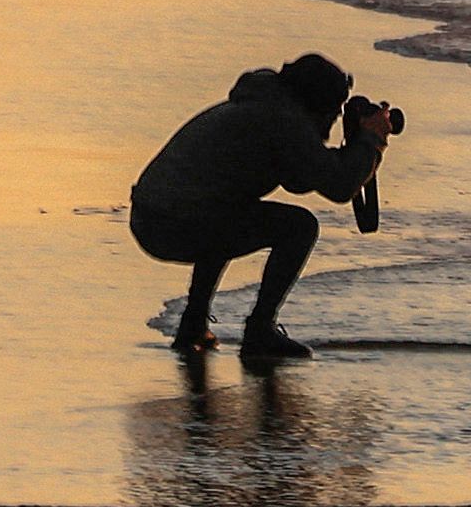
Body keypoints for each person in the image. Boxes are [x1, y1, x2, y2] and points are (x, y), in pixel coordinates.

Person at [130, 52, 393, 361]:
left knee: (229, 210)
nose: (332, 123)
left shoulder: (265, 106)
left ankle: (194, 323)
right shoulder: (284, 122)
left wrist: (355, 148)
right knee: (299, 227)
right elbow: (339, 186)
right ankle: (260, 331)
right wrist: (371, 141)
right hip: (173, 223)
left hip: (153, 216)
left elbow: (302, 176)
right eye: (333, 114)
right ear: (316, 105)